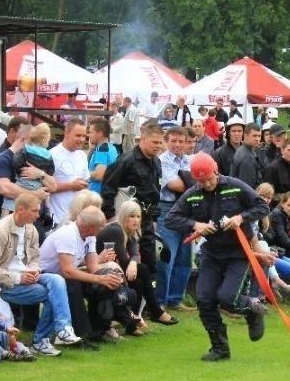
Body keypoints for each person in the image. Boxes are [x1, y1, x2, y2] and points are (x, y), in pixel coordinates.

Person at [164, 153, 270, 361]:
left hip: (238, 254)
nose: (207, 184)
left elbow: (262, 206)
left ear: (216, 171)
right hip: (212, 254)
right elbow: (171, 218)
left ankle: (253, 310)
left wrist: (241, 218)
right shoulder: (193, 194)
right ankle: (220, 348)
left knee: (228, 298)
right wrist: (195, 225)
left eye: (210, 179)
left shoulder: (236, 186)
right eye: (201, 181)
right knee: (204, 300)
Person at [0, 193, 81, 356]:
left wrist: (33, 270)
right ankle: (41, 341)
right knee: (51, 295)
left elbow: (35, 259)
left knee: (56, 280)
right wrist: (19, 277)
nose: (38, 215)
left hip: (25, 278)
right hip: (0, 285)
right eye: (34, 211)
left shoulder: (31, 229)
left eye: (38, 211)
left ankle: (63, 329)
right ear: (20, 210)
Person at [39, 205, 142, 343]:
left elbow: (93, 267)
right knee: (75, 284)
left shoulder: (89, 236)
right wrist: (100, 278)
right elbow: (67, 271)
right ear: (91, 226)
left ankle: (100, 327)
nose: (102, 231)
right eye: (101, 227)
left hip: (64, 275)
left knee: (104, 281)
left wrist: (109, 277)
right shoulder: (68, 234)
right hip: (47, 276)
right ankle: (85, 331)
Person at [96, 200, 178, 337]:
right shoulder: (115, 230)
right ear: (123, 216)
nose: (136, 220)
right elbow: (123, 260)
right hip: (102, 270)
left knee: (138, 282)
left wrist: (134, 263)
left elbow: (133, 254)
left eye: (138, 217)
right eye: (132, 216)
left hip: (116, 270)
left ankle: (131, 325)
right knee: (143, 270)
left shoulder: (130, 231)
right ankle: (155, 310)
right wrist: (133, 263)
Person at [100, 122, 164, 273]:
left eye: (161, 142)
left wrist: (154, 219)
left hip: (146, 217)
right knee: (125, 259)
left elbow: (155, 192)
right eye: (155, 142)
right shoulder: (126, 160)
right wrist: (110, 216)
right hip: (126, 218)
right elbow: (108, 187)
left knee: (149, 258)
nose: (158, 146)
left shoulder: (156, 161)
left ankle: (148, 291)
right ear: (142, 139)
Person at [156, 126, 194, 311]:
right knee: (167, 256)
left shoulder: (190, 160)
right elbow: (174, 185)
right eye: (173, 141)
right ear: (166, 141)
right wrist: (194, 183)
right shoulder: (162, 161)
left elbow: (202, 180)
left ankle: (175, 299)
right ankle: (160, 302)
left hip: (188, 209)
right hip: (167, 209)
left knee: (185, 257)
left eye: (181, 141)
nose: (178, 144)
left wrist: (190, 182)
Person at [47, 119, 90, 225]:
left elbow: (85, 184)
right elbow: (45, 187)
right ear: (66, 133)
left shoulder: (82, 155)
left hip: (78, 221)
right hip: (57, 220)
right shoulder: (52, 155)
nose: (82, 139)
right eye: (78, 135)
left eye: (84, 136)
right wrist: (70, 186)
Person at [87, 117, 118, 195]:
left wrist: (83, 173)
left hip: (97, 195)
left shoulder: (101, 150)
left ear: (100, 134)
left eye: (91, 132)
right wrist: (91, 149)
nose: (89, 135)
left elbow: (99, 175)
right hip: (107, 193)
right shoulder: (112, 148)